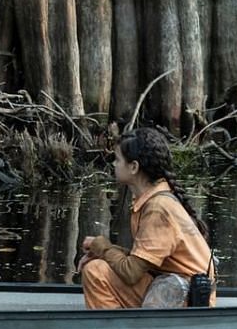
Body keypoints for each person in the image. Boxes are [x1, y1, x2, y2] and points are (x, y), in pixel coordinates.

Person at [77, 126, 214, 309]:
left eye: (118, 159)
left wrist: (102, 246)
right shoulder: (154, 199)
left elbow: (131, 272)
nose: (114, 164)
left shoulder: (158, 209)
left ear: (133, 167)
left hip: (184, 299)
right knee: (99, 264)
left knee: (96, 271)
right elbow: (141, 261)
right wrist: (103, 250)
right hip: (169, 287)